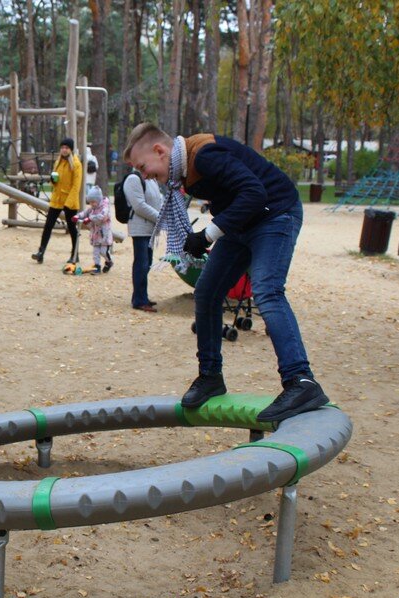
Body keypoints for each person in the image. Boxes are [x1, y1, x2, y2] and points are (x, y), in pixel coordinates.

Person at [123, 123, 329, 422]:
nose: (144, 175)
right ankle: (210, 377)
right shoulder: (184, 170)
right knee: (207, 292)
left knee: (267, 291)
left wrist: (207, 235)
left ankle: (301, 381)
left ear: (160, 151)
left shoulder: (204, 155)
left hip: (275, 213)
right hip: (243, 223)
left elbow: (255, 193)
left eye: (143, 166)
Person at [31, 137, 82, 272]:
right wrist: (53, 180)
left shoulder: (76, 164)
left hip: (69, 201)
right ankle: (41, 252)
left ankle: (74, 254)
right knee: (48, 225)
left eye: (66, 148)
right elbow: (56, 180)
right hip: (56, 198)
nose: (64, 150)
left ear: (70, 150)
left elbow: (76, 186)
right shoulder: (58, 161)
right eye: (62, 147)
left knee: (72, 228)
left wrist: (69, 203)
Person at [122, 166, 164, 312]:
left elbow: (158, 200)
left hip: (150, 229)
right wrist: (159, 217)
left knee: (147, 263)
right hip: (140, 229)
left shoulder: (152, 179)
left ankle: (141, 296)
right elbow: (139, 206)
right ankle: (139, 300)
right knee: (142, 263)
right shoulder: (133, 179)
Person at [73, 186, 113, 274]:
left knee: (103, 252)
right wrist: (78, 216)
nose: (92, 204)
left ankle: (109, 262)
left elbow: (102, 217)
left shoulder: (105, 208)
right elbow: (85, 212)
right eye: (90, 202)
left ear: (98, 200)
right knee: (95, 252)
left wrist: (90, 218)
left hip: (104, 234)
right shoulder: (93, 207)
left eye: (93, 202)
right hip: (95, 234)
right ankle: (97, 266)